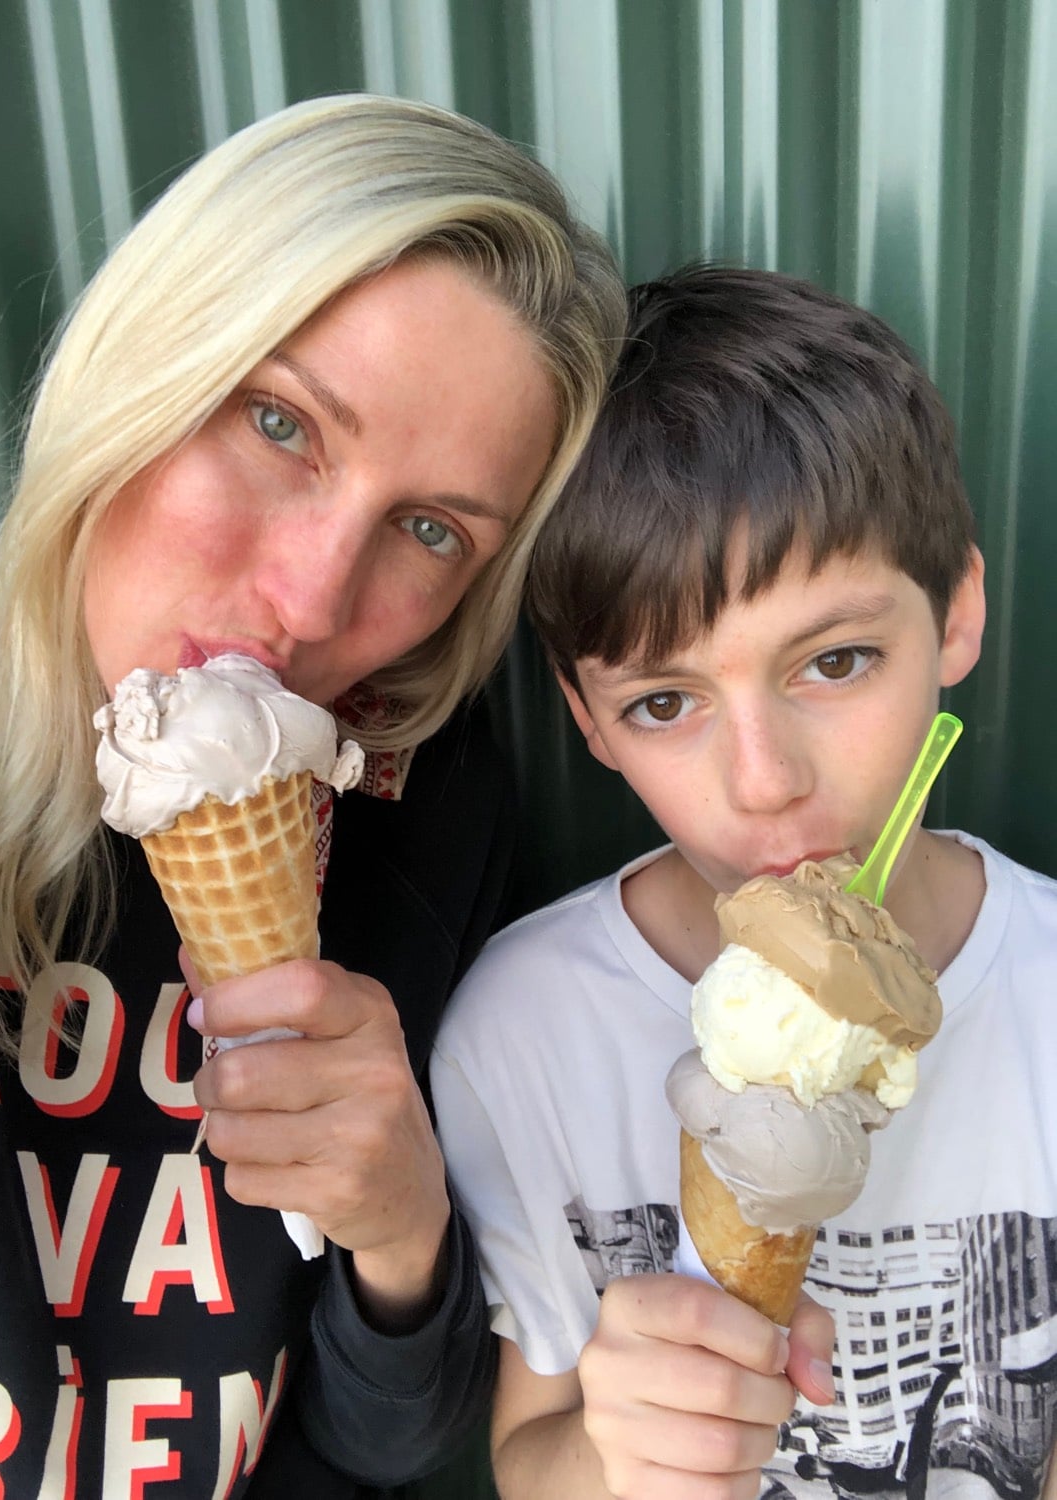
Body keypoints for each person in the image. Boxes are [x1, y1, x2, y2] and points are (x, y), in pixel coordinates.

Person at [0, 94, 626, 1497]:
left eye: (428, 531)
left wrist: (398, 1236)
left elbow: (378, 1445)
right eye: (278, 422)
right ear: (149, 358)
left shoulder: (419, 819)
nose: (313, 601)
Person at [431, 266, 1057, 1497]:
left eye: (834, 660)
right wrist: (616, 1455)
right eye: (664, 702)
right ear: (589, 722)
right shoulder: (519, 1037)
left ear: (958, 613)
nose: (763, 781)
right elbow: (526, 1456)